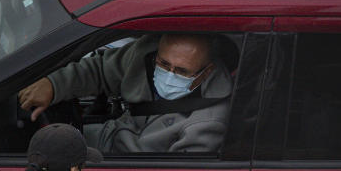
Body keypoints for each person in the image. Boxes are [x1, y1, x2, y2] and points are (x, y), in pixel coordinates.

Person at [17, 33, 233, 154]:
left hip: (124, 170)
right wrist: (54, 85)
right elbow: (99, 70)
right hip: (107, 134)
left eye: (182, 71)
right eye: (164, 64)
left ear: (207, 72)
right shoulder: (144, 55)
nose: (169, 75)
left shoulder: (209, 123)